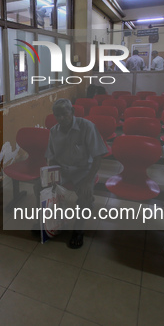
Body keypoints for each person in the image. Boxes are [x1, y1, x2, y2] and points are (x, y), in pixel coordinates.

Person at [45, 99, 108, 249]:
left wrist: (88, 180)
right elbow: (51, 157)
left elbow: (98, 157)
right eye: (57, 115)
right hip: (62, 168)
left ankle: (79, 228)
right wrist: (51, 176)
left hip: (83, 170)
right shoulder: (54, 130)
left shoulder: (87, 127)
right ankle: (49, 222)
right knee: (40, 187)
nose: (60, 118)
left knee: (85, 196)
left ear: (72, 112)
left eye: (64, 114)